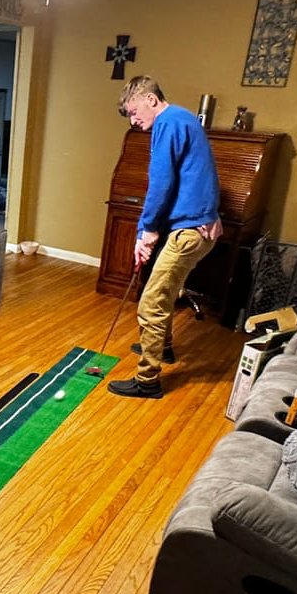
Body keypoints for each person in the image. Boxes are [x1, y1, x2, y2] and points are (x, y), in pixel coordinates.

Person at [109, 75, 223, 400]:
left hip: (189, 231)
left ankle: (147, 381)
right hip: (197, 226)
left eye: (134, 112)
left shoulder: (167, 123)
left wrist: (146, 233)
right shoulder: (184, 118)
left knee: (150, 303)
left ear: (151, 99)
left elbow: (160, 183)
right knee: (167, 290)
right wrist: (209, 214)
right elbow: (199, 175)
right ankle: (164, 348)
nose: (134, 121)